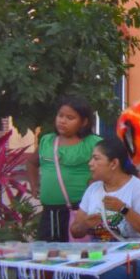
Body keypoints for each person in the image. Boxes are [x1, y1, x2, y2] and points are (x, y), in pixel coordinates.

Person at [70, 137, 140, 279]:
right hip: (99, 256)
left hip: (135, 258)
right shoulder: (93, 189)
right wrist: (85, 225)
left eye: (96, 158)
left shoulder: (138, 189)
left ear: (113, 163)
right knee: (67, 274)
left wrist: (124, 209)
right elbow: (75, 231)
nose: (90, 163)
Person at [26, 95, 102, 241]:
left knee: (80, 252)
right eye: (60, 115)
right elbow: (31, 163)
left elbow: (110, 168)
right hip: (50, 214)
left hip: (80, 212)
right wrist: (34, 185)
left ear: (84, 122)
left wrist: (95, 182)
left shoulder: (93, 143)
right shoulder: (47, 141)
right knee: (48, 251)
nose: (62, 121)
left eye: (70, 117)